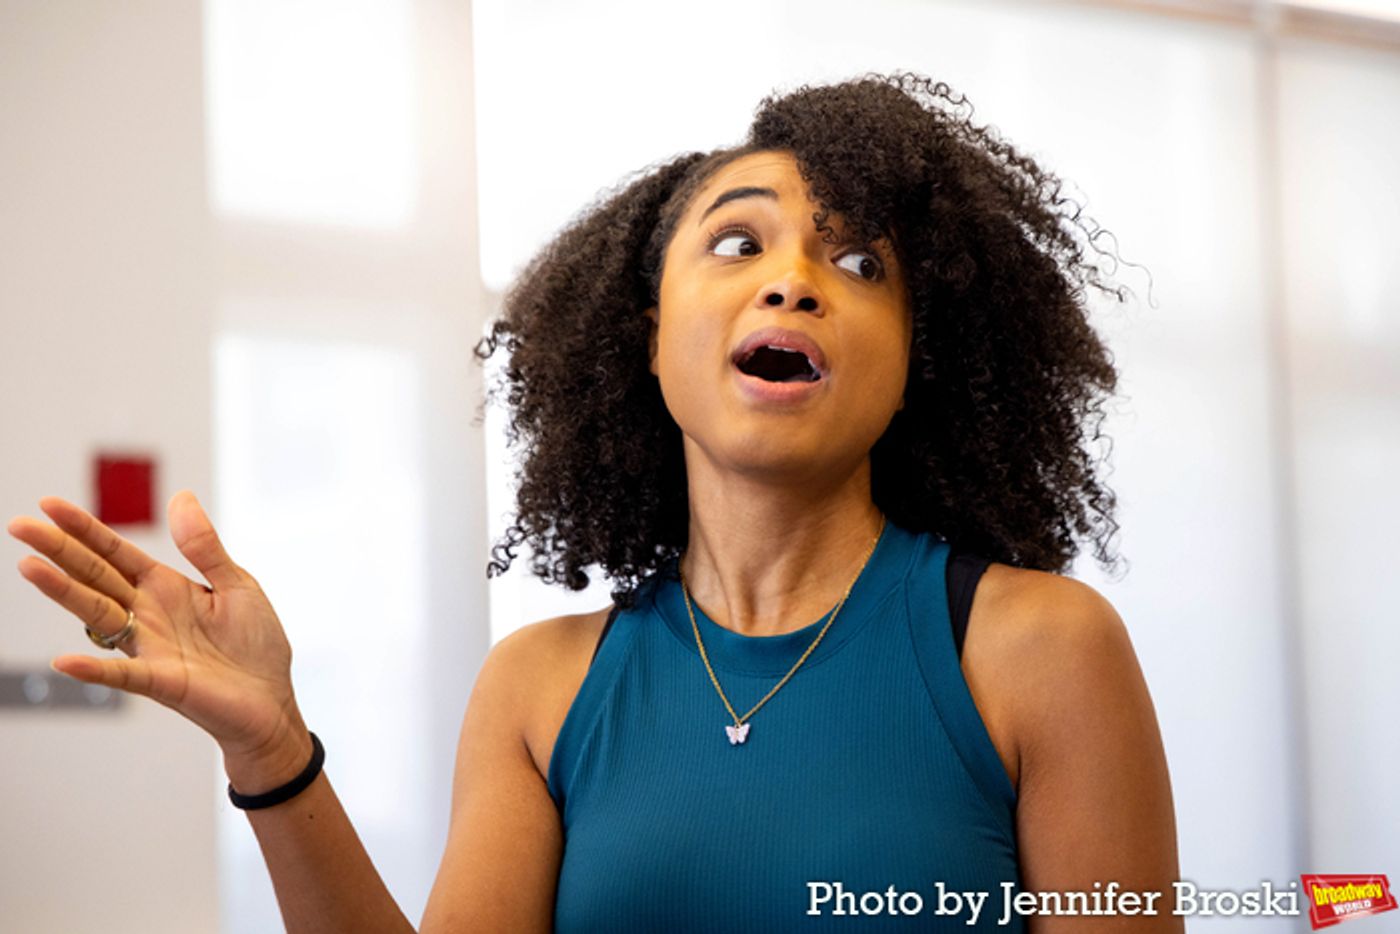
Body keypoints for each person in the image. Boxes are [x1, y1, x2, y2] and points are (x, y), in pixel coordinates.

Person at [7, 73, 1179, 931]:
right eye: (737, 244)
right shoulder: (540, 688)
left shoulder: (1039, 650)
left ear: (917, 353)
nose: (793, 281)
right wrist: (271, 746)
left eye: (858, 264)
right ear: (648, 342)